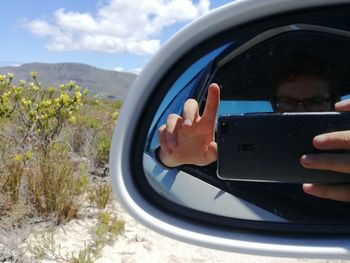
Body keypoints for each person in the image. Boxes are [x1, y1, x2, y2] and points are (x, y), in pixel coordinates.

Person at [157, 55, 350, 203]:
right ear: (274, 104)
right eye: (288, 102)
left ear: (335, 103)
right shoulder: (231, 147)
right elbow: (176, 161)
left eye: (314, 102)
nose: (300, 110)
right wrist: (173, 155)